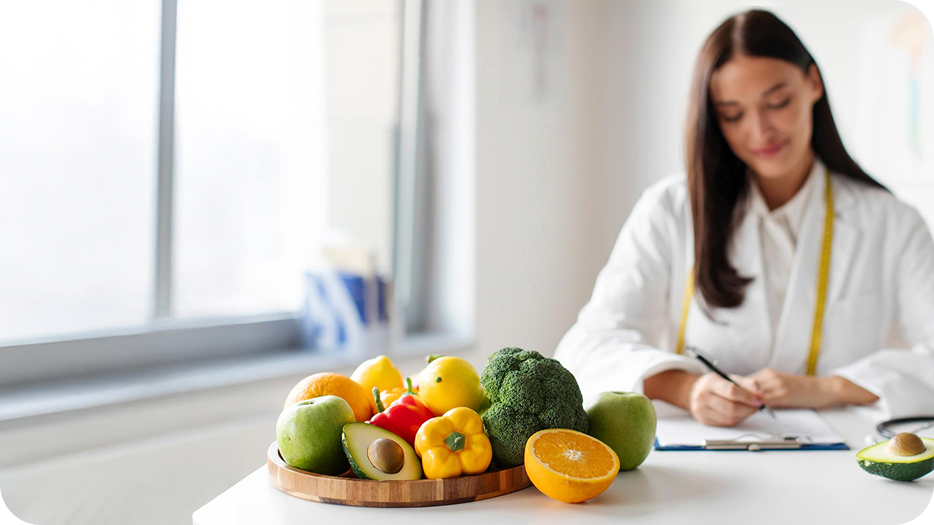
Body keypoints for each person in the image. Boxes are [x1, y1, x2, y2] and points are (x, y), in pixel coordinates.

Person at [554, 9, 934, 427]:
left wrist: (829, 387)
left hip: (842, 465)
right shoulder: (671, 209)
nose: (759, 131)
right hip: (704, 468)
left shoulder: (893, 222)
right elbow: (585, 349)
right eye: (733, 114)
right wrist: (689, 389)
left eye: (776, 102)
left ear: (813, 83)